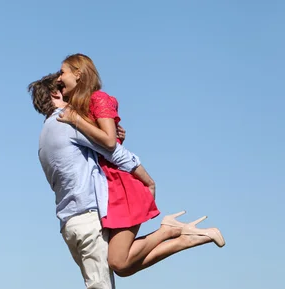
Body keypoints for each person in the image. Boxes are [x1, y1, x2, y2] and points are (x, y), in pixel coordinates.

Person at [28, 72, 223, 289]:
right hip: (89, 217)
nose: (69, 90)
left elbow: (102, 146)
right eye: (62, 87)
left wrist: (113, 133)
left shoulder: (44, 136)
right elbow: (111, 150)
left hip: (68, 222)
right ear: (55, 96)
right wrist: (145, 175)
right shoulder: (68, 122)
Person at [56, 54, 224, 277]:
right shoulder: (80, 107)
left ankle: (168, 230)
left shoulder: (98, 99)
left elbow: (108, 141)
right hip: (108, 189)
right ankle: (183, 238)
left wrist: (76, 121)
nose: (59, 77)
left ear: (78, 73)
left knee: (118, 261)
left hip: (122, 187)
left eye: (63, 72)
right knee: (123, 267)